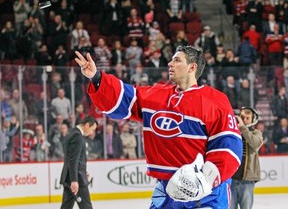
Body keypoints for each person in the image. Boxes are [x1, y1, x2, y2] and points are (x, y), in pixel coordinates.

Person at [74, 46, 243, 208]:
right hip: (167, 189)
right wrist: (96, 78)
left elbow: (228, 145)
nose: (170, 64)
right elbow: (124, 97)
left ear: (192, 67)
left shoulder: (215, 101)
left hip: (207, 192)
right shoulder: (155, 96)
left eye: (177, 60)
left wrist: (206, 179)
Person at [60, 116, 98, 209]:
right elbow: (73, 159)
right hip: (77, 179)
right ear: (87, 125)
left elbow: (74, 158)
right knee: (86, 206)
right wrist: (74, 180)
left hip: (70, 175)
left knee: (66, 206)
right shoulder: (78, 136)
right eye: (92, 129)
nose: (92, 132)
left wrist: (83, 171)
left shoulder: (72, 132)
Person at [230, 107, 263, 209]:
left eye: (247, 118)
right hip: (231, 179)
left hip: (247, 180)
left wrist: (243, 128)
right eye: (242, 117)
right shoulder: (233, 131)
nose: (244, 120)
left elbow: (255, 143)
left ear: (253, 120)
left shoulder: (256, 132)